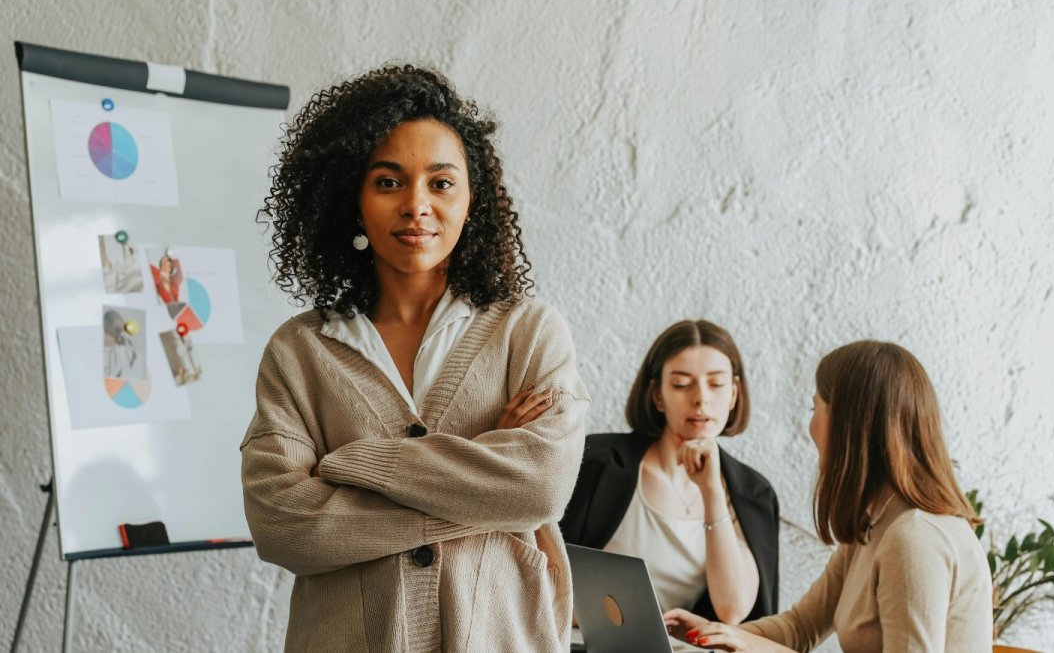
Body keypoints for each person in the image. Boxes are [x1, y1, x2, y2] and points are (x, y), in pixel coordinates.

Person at [241, 64, 589, 652]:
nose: (416, 205)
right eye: (388, 182)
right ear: (353, 199)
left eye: (441, 182)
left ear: (472, 199)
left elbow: (541, 489)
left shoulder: (527, 333)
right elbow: (282, 524)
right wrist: (486, 484)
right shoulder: (300, 351)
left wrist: (355, 465)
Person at [663, 340, 992, 652]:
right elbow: (799, 627)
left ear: (848, 424)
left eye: (815, 407)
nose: (810, 426)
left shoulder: (913, 539)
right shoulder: (874, 524)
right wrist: (711, 633)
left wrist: (760, 648)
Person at [560, 320, 779, 624]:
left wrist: (712, 491)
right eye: (681, 384)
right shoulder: (595, 462)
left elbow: (732, 611)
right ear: (658, 396)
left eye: (716, 384)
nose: (701, 398)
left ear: (733, 394)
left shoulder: (752, 493)